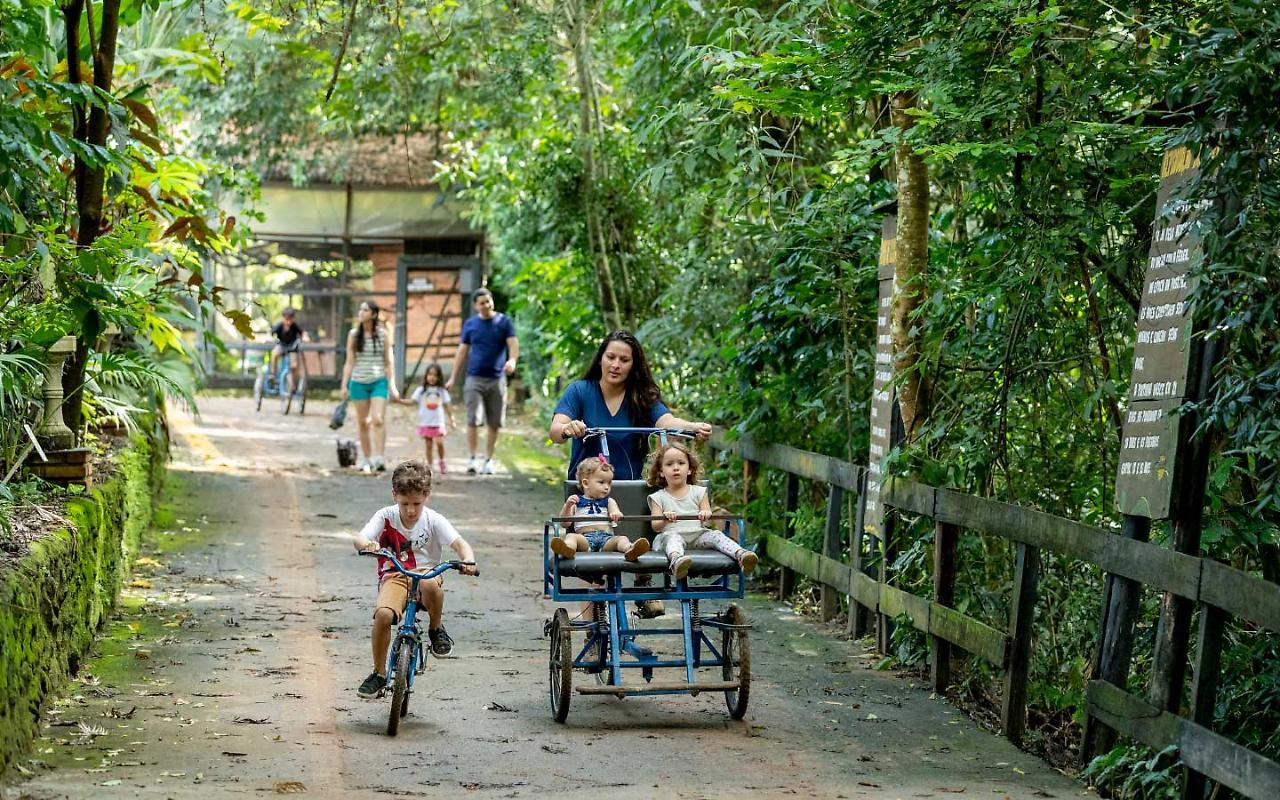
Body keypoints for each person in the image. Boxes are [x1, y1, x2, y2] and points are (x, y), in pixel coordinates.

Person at [548, 329, 712, 617]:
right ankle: (594, 633)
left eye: (624, 360)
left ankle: (644, 583)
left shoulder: (641, 396)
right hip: (590, 491)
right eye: (610, 357)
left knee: (646, 518)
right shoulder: (580, 391)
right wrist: (568, 428)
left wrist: (691, 426)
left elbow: (666, 420)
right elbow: (556, 429)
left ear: (633, 365)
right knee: (594, 562)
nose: (616, 365)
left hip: (630, 488)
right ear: (601, 359)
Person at [353, 460, 478, 698]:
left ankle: (435, 628)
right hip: (395, 574)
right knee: (383, 615)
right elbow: (360, 538)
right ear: (394, 495)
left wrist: (468, 560)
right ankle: (379, 673)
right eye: (405, 503)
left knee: (431, 584)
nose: (410, 510)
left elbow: (460, 544)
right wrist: (368, 544)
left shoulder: (433, 520)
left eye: (416, 504)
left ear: (427, 496)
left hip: (425, 573)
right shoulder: (385, 516)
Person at [647, 441, 757, 579]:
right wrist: (664, 518)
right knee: (673, 538)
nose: (676, 468)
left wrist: (705, 514)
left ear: (689, 469)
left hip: (697, 536)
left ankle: (741, 555)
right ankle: (677, 562)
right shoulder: (658, 497)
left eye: (681, 463)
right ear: (661, 472)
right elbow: (655, 527)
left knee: (716, 534)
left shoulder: (699, 492)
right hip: (670, 536)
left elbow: (707, 519)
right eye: (669, 464)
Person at [445, 288, 518, 475]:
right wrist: (453, 377)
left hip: (497, 379)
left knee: (494, 422)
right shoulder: (471, 324)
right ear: (476, 306)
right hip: (474, 378)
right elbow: (462, 351)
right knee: (472, 420)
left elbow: (513, 344)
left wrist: (512, 361)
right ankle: (472, 458)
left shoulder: (503, 322)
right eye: (482, 303)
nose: (486, 305)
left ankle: (488, 459)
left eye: (488, 301)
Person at [550, 456, 649, 561]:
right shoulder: (576, 501)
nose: (607, 487)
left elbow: (616, 512)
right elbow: (565, 523)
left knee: (622, 539)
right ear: (586, 483)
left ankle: (630, 549)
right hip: (585, 539)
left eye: (609, 483)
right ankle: (568, 549)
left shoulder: (609, 501)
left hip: (606, 539)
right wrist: (568, 506)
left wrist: (615, 514)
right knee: (571, 537)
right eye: (601, 482)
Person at [341, 300, 400, 473]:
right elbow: (349, 362)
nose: (361, 312)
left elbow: (389, 362)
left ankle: (379, 458)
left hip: (378, 381)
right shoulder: (353, 335)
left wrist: (392, 386)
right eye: (360, 309)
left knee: (378, 419)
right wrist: (344, 385)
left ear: (373, 314)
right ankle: (367, 459)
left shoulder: (383, 334)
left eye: (365, 310)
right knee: (362, 422)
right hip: (358, 382)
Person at [400, 363, 453, 474]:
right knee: (428, 445)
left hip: (438, 423)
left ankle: (442, 461)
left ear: (439, 377)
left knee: (439, 443)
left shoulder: (442, 391)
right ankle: (430, 465)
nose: (432, 377)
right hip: (426, 423)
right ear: (426, 376)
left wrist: (452, 419)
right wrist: (400, 401)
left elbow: (447, 406)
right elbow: (412, 401)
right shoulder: (421, 390)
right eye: (430, 374)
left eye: (435, 375)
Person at [268, 307, 309, 391]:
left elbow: (303, 333)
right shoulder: (279, 326)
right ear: (283, 318)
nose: (288, 322)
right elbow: (271, 332)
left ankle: (293, 385)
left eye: (290, 319)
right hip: (281, 345)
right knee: (274, 354)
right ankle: (273, 375)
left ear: (293, 319)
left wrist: (305, 337)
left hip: (292, 347)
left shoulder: (294, 326)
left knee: (294, 366)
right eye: (286, 319)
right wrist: (268, 338)